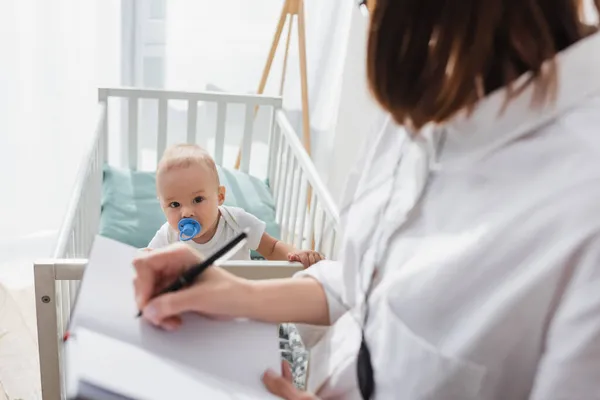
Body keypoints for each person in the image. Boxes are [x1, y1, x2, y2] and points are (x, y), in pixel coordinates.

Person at [133, 0, 600, 399]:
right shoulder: (427, 105)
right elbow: (367, 285)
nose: (372, 19)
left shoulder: (580, 209)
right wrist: (237, 294)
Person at [146, 143, 324, 269]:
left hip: (238, 305)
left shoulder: (237, 223)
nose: (186, 213)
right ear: (163, 207)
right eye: (174, 204)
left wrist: (297, 254)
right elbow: (146, 261)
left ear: (220, 196)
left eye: (198, 199)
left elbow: (271, 248)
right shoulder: (168, 236)